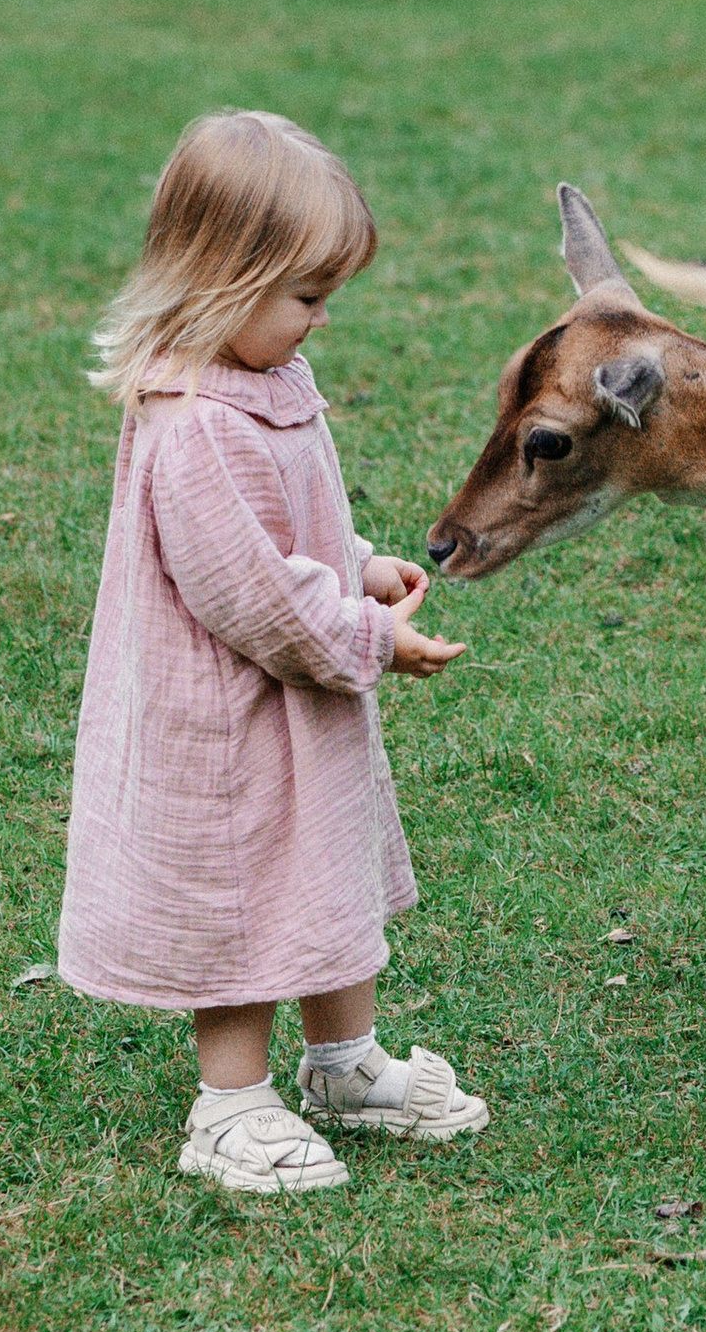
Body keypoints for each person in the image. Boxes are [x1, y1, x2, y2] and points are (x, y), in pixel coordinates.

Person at [58, 108, 483, 1196]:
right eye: (305, 296)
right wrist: (366, 633)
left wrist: (362, 563)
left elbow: (289, 529)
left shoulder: (267, 381)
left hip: (301, 701)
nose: (321, 319)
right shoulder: (193, 421)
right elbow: (246, 589)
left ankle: (344, 1064)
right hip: (229, 719)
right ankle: (228, 1103)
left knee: (322, 871)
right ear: (218, 278)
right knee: (241, 891)